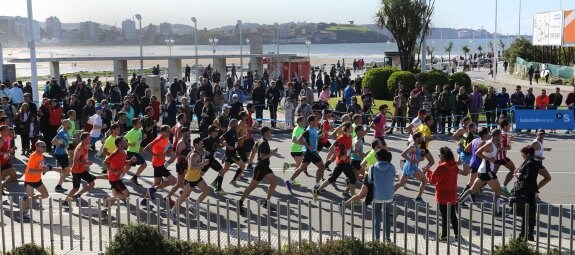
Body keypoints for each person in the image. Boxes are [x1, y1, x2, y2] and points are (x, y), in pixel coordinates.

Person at [509, 145, 552, 241]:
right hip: (530, 191)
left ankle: (523, 235)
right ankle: (529, 234)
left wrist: (519, 175)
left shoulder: (530, 163)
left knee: (527, 213)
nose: (521, 155)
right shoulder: (530, 161)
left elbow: (529, 178)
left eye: (522, 153)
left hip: (527, 191)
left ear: (527, 154)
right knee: (530, 213)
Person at [425, 146, 467, 241]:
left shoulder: (441, 167)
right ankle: (457, 235)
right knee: (453, 215)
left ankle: (444, 236)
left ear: (443, 156)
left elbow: (433, 181)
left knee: (444, 217)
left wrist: (428, 172)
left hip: (442, 194)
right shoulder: (454, 166)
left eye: (439, 154)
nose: (438, 156)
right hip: (452, 194)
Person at [458, 129, 503, 215]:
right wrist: (489, 159)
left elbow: (489, 152)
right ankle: (497, 211)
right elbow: (477, 152)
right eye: (500, 135)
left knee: (473, 190)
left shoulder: (493, 143)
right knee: (498, 191)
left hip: (484, 170)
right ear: (496, 135)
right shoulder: (489, 143)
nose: (501, 137)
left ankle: (458, 203)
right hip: (487, 171)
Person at [237, 127, 278, 215]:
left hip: (265, 168)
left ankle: (266, 202)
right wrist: (272, 153)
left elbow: (254, 150)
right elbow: (262, 156)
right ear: (266, 133)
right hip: (260, 168)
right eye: (269, 132)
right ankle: (240, 202)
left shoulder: (261, 140)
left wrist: (251, 161)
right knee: (252, 187)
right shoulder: (263, 142)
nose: (270, 133)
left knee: (274, 183)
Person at [19, 141, 62, 221]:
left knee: (45, 195)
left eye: (45, 146)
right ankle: (21, 214)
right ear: (38, 147)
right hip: (30, 180)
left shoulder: (41, 155)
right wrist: (43, 170)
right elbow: (30, 171)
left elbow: (40, 167)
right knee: (29, 198)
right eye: (43, 146)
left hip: (38, 180)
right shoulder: (33, 156)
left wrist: (52, 169)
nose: (45, 148)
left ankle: (30, 197)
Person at [170, 137, 211, 219]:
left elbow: (186, 158)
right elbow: (192, 167)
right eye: (201, 144)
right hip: (190, 179)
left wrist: (204, 154)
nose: (202, 145)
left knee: (206, 191)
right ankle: (172, 211)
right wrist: (203, 163)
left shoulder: (196, 152)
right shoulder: (194, 155)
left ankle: (193, 207)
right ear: (196, 144)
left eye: (202, 143)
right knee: (184, 196)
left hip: (197, 178)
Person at [314, 122, 356, 201]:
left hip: (345, 162)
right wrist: (339, 156)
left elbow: (348, 148)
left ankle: (317, 191)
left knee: (333, 178)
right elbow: (331, 149)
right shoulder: (340, 138)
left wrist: (352, 151)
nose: (352, 128)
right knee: (352, 179)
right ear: (346, 128)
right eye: (351, 127)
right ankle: (354, 199)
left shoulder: (350, 137)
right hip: (342, 162)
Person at [285, 115, 326, 194]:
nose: (317, 122)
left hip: (308, 152)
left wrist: (320, 136)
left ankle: (289, 181)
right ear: (311, 122)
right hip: (310, 152)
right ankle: (317, 186)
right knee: (321, 167)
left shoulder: (314, 129)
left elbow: (314, 138)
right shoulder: (307, 131)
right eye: (315, 120)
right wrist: (307, 145)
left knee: (301, 168)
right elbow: (299, 140)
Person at [62, 133, 102, 209]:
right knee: (75, 188)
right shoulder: (80, 148)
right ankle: (65, 202)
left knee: (91, 183)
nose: (90, 139)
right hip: (76, 171)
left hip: (82, 170)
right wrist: (86, 163)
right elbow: (75, 160)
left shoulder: (85, 146)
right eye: (88, 138)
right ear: (84, 139)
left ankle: (77, 195)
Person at [141, 125, 177, 207]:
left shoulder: (166, 138)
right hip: (158, 164)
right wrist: (155, 155)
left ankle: (144, 200)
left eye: (169, 131)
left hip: (159, 164)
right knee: (173, 181)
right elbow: (145, 149)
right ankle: (152, 190)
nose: (170, 133)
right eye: (168, 131)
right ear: (163, 132)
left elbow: (164, 149)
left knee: (156, 183)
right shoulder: (158, 139)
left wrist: (167, 151)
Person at [100, 136, 135, 217]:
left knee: (115, 197)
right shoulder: (115, 153)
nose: (126, 143)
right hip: (114, 179)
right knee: (126, 195)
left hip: (117, 178)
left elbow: (124, 162)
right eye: (124, 142)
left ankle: (104, 211)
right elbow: (104, 163)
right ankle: (106, 199)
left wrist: (130, 161)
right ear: (119, 145)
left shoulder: (123, 152)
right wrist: (113, 171)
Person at [211, 119, 245, 195]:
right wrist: (227, 145)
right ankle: (234, 180)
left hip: (231, 154)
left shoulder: (235, 132)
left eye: (237, 124)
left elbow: (234, 141)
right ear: (232, 125)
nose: (237, 125)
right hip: (230, 155)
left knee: (224, 170)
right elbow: (221, 139)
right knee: (242, 165)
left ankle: (214, 182)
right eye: (236, 124)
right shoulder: (229, 132)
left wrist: (241, 138)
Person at [395, 132, 427, 204]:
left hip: (407, 167)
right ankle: (418, 198)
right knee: (424, 181)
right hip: (412, 167)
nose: (422, 138)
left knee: (401, 183)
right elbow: (403, 154)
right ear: (417, 138)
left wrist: (420, 152)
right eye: (421, 137)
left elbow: (413, 154)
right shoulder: (413, 146)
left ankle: (389, 194)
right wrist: (411, 160)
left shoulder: (415, 145)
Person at [52, 119, 73, 193]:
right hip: (60, 153)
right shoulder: (62, 132)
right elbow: (53, 141)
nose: (71, 124)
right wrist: (63, 146)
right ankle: (49, 168)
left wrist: (69, 141)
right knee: (67, 171)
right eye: (69, 123)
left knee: (66, 171)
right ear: (66, 125)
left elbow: (65, 140)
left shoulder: (66, 132)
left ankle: (59, 186)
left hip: (63, 153)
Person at [0, 125, 16, 194]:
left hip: (6, 160)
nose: (9, 131)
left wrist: (12, 149)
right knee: (2, 177)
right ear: (2, 132)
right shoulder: (1, 141)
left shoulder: (8, 138)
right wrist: (8, 152)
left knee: (13, 176)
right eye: (7, 130)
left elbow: (8, 149)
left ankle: (2, 186)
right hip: (1, 162)